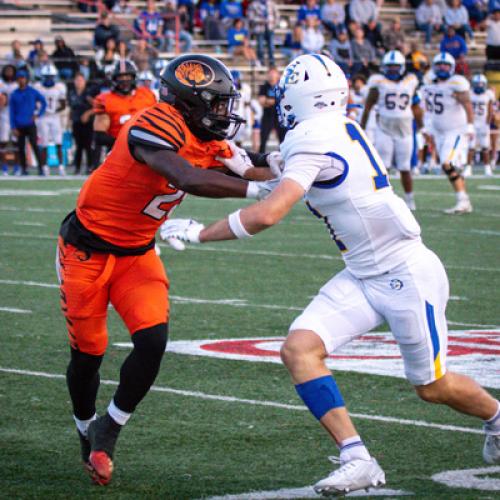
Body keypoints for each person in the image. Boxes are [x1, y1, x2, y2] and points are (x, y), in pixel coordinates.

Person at [160, 53, 500, 496]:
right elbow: (285, 172)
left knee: (432, 387)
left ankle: (496, 417)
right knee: (299, 350)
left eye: (285, 94)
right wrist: (242, 165)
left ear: (303, 97)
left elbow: (269, 213)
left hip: (404, 273)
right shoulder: (333, 127)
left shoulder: (311, 138)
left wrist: (200, 232)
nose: (280, 102)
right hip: (363, 272)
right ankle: (357, 458)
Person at [57, 53, 274, 486]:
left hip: (137, 253)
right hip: (87, 252)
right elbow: (188, 177)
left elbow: (254, 160)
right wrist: (260, 187)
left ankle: (110, 429)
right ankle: (85, 428)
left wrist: (299, 169)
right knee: (89, 354)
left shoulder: (207, 138)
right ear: (186, 102)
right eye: (214, 103)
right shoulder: (156, 122)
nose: (222, 113)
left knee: (153, 340)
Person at [361, 50, 421, 210]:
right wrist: (362, 127)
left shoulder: (411, 81)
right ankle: (382, 198)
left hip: (405, 131)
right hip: (384, 129)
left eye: (395, 67)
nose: (393, 70)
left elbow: (416, 105)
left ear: (402, 67)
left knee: (405, 167)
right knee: (383, 167)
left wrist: (421, 127)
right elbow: (368, 107)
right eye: (390, 67)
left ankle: (409, 199)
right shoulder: (378, 82)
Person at [421, 52, 474, 213]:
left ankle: (463, 201)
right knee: (448, 165)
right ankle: (464, 200)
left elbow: (467, 104)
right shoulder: (429, 81)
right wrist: (427, 126)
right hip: (439, 131)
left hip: (456, 131)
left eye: (446, 65)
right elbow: (429, 107)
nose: (442, 67)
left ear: (451, 68)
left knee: (447, 163)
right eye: (439, 65)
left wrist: (470, 125)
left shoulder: (457, 82)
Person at [91, 60, 156, 169]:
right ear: (114, 79)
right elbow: (99, 136)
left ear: (134, 77)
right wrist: (126, 145)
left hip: (147, 150)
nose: (125, 80)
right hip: (118, 151)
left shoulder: (147, 95)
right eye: (121, 77)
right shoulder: (105, 99)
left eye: (128, 76)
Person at [9, 69, 46, 175]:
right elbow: (11, 111)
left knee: (34, 145)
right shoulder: (14, 94)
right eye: (19, 78)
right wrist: (13, 126)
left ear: (26, 79)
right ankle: (24, 169)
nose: (21, 80)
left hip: (30, 123)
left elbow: (43, 102)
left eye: (23, 78)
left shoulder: (32, 92)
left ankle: (41, 168)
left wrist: (38, 114)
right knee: (21, 148)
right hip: (19, 124)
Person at [34, 64, 67, 176]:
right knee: (44, 143)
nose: (48, 79)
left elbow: (63, 104)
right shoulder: (37, 87)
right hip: (43, 117)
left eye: (50, 76)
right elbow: (33, 102)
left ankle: (61, 167)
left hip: (54, 117)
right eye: (46, 76)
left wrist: (53, 111)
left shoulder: (60, 87)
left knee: (58, 142)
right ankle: (45, 168)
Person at [467, 73, 496, 175]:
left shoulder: (488, 94)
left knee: (485, 147)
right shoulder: (469, 93)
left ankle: (487, 169)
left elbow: (490, 109)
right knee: (471, 147)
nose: (479, 86)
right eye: (477, 84)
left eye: (481, 84)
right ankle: (468, 168)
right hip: (473, 123)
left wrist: (487, 123)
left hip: (483, 123)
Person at [68, 72, 95, 174]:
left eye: (81, 80)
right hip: (76, 122)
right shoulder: (72, 93)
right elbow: (71, 108)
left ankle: (90, 166)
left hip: (87, 123)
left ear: (85, 81)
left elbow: (96, 106)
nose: (79, 82)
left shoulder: (89, 93)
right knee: (78, 146)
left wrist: (87, 114)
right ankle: (77, 167)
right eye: (77, 80)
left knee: (88, 145)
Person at [258, 67, 285, 153]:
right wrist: (274, 100)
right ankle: (261, 158)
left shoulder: (281, 86)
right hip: (267, 116)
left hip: (279, 116)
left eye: (274, 73)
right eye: (270, 73)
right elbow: (261, 101)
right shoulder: (264, 87)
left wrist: (268, 100)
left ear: (278, 75)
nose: (272, 75)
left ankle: (283, 157)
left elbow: (282, 100)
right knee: (263, 140)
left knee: (283, 141)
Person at [247, 0, 280, 66]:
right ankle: (261, 62)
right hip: (259, 29)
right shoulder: (254, 4)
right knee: (260, 47)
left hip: (270, 28)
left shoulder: (271, 3)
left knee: (271, 46)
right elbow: (251, 17)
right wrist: (261, 21)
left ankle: (271, 62)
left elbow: (277, 15)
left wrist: (274, 24)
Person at [0, 64, 19, 175]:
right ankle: (4, 166)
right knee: (3, 142)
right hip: (4, 115)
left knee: (17, 143)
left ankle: (17, 166)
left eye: (10, 71)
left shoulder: (18, 84)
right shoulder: (1, 84)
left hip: (17, 116)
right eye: (6, 71)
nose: (9, 73)